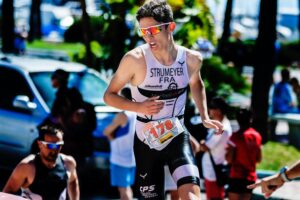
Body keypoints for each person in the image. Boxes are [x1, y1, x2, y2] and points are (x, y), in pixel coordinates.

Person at [103, 0, 224, 199]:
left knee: (192, 196)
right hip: (146, 142)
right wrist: (138, 106)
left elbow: (196, 83)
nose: (148, 37)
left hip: (177, 136)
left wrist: (204, 116)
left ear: (171, 27)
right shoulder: (135, 59)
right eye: (143, 31)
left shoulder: (192, 59)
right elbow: (109, 96)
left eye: (153, 30)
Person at [3, 125, 79, 200]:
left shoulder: (68, 163)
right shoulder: (27, 166)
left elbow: (73, 182)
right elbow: (7, 194)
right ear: (40, 144)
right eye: (50, 146)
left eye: (58, 146)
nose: (54, 150)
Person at [104, 87, 137, 200]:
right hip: (132, 157)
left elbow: (107, 131)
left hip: (120, 157)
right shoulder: (137, 113)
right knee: (126, 187)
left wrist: (110, 137)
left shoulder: (123, 115)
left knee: (123, 189)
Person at [199, 97, 232, 200]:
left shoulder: (222, 128)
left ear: (218, 111)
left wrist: (201, 143)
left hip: (213, 171)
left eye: (211, 108)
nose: (209, 110)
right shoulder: (221, 125)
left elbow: (205, 147)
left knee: (214, 198)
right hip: (213, 169)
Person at [225, 108, 262, 200]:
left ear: (237, 120)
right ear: (251, 119)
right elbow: (259, 159)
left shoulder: (235, 137)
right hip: (250, 177)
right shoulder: (257, 136)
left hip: (237, 176)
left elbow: (229, 159)